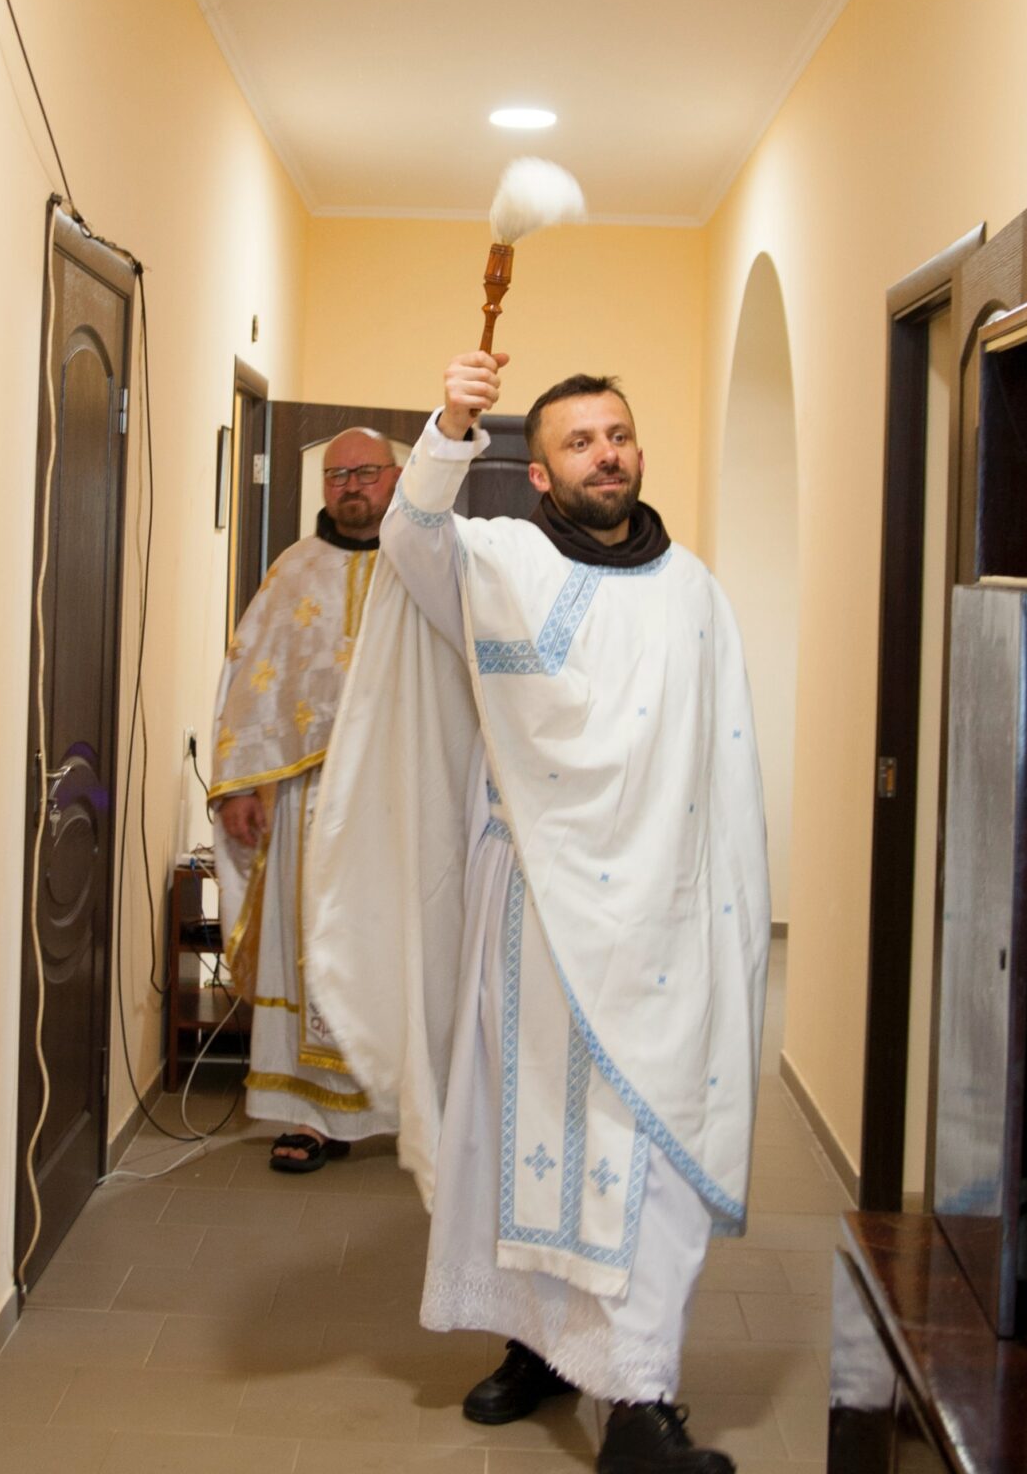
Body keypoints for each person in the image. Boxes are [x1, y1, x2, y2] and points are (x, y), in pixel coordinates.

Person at [307, 351, 769, 1471]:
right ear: (540, 472)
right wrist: (448, 426)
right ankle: (538, 1349)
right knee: (524, 1137)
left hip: (660, 926)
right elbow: (410, 539)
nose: (605, 454)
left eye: (618, 434)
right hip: (530, 917)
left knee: (649, 1148)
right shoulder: (498, 562)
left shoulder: (694, 594)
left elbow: (724, 774)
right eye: (578, 441)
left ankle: (642, 1401)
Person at [208, 426, 402, 1172]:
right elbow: (247, 681)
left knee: (395, 943)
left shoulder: (423, 564)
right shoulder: (292, 571)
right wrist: (239, 785)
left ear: (394, 477)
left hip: (398, 794)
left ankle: (405, 1110)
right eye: (336, 475)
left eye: (365, 472)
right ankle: (309, 1115)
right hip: (306, 797)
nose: (351, 487)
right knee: (309, 945)